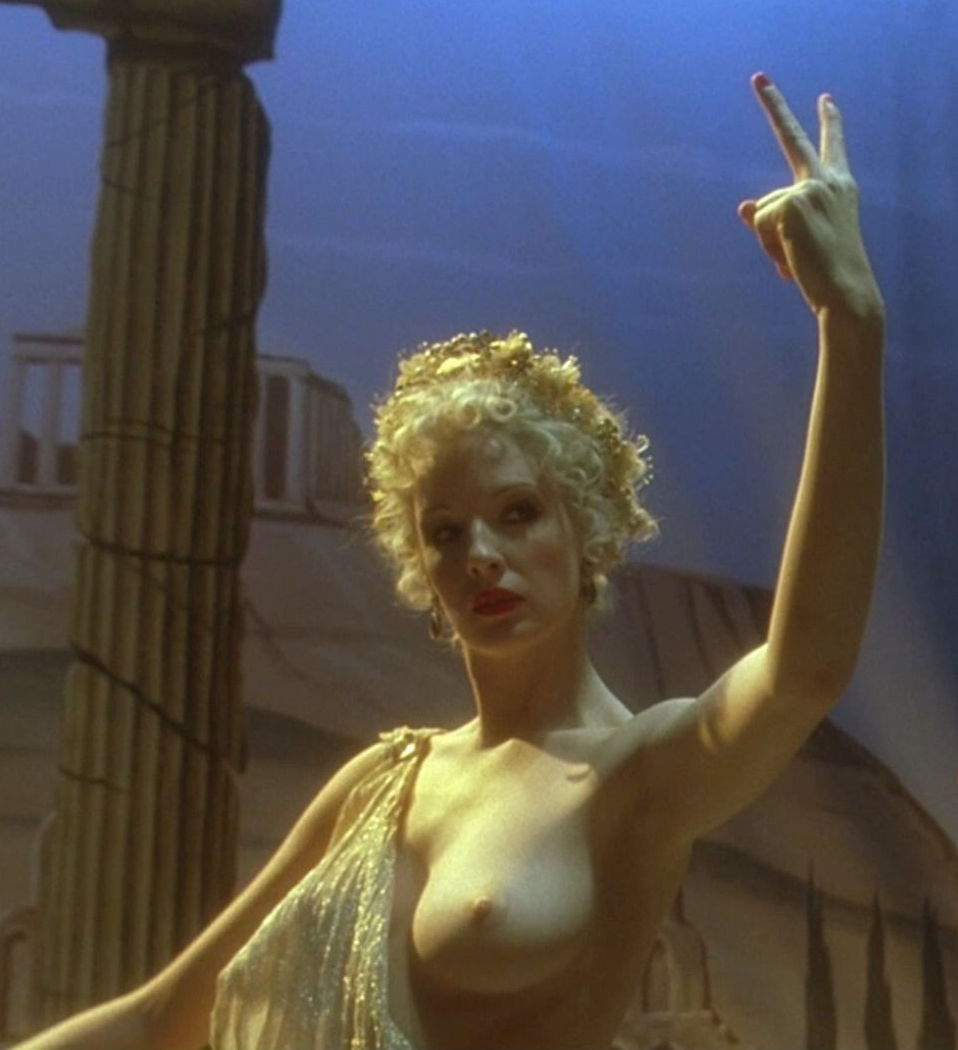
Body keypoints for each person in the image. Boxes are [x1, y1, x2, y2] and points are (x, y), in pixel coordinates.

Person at [15, 72, 884, 1050]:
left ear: (589, 530)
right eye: (445, 531)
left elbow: (805, 667)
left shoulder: (638, 773)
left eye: (517, 514)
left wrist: (848, 327)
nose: (482, 555)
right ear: (417, 567)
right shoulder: (383, 784)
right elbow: (159, 1016)